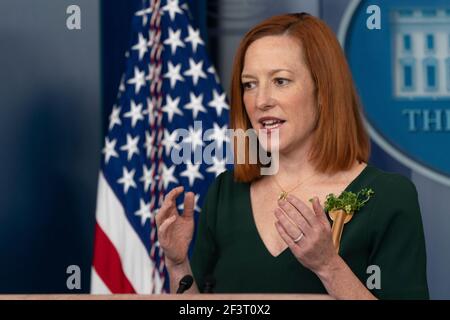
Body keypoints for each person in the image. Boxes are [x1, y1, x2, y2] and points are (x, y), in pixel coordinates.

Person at [155, 13, 429, 299]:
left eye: (281, 81)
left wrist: (329, 267)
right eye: (249, 84)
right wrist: (177, 263)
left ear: (323, 91)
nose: (261, 101)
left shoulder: (389, 197)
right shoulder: (226, 193)